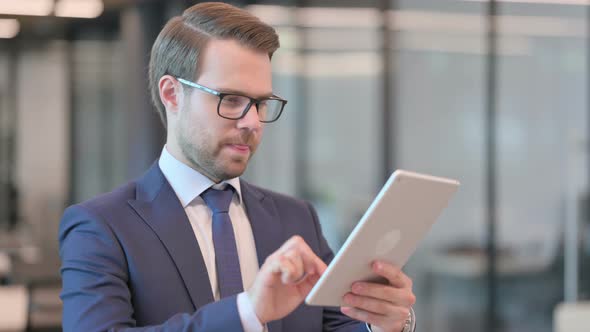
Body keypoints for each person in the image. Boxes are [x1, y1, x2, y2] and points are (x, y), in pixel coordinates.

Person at [59, 2, 416, 332]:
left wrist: (382, 322)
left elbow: (341, 327)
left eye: (260, 103)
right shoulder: (101, 227)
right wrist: (248, 312)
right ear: (171, 94)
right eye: (231, 100)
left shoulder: (297, 219)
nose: (252, 123)